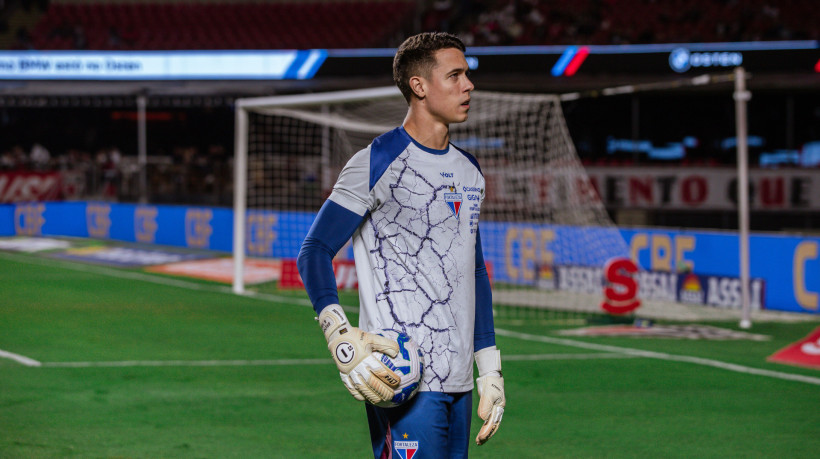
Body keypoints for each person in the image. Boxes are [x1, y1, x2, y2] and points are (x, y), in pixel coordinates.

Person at [297, 32, 505, 458]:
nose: (468, 85)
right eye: (455, 75)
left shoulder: (470, 170)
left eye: (467, 75)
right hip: (403, 376)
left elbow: (474, 272)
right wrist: (338, 333)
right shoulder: (376, 161)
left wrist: (490, 370)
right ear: (419, 86)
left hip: (460, 380)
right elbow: (314, 250)